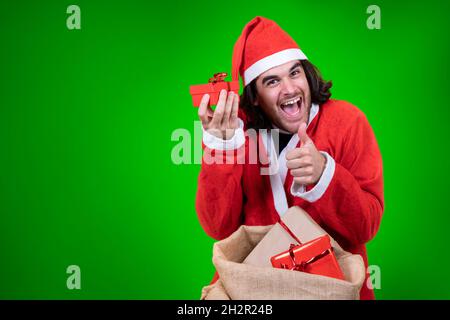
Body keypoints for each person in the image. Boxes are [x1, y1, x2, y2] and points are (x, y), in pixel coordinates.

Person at [195, 16, 384, 300]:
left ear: (306, 74)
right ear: (255, 96)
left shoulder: (348, 122)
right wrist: (221, 149)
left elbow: (365, 227)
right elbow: (217, 227)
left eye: (294, 73)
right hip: (255, 289)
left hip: (331, 287)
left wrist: (326, 175)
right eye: (272, 81)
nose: (290, 89)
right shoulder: (236, 132)